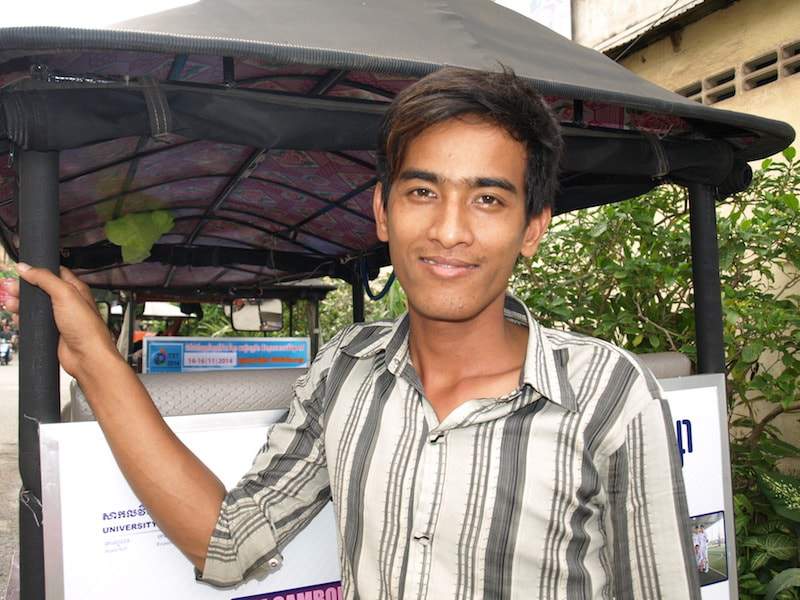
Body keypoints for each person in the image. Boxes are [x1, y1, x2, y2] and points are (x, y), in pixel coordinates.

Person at [1, 67, 700, 598]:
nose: (450, 231)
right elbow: (227, 544)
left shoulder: (609, 394)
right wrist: (95, 358)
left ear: (532, 228)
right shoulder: (346, 371)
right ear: (383, 213)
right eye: (423, 192)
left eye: (488, 199)